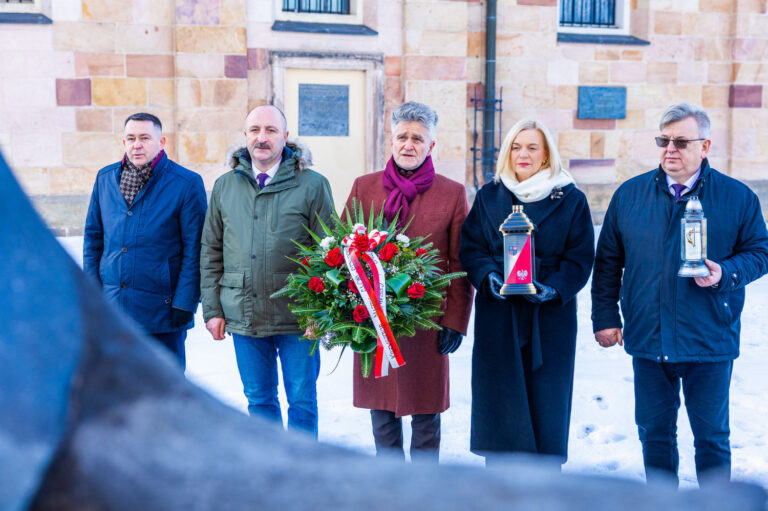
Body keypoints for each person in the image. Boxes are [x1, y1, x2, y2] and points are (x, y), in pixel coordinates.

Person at [591, 102, 768, 486]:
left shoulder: (737, 197)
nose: (670, 149)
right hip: (648, 336)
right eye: (664, 140)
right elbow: (607, 263)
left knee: (712, 438)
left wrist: (726, 273)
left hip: (709, 336)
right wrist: (605, 317)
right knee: (654, 434)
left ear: (705, 146)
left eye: (681, 142)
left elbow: (760, 252)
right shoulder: (630, 195)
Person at [459, 119, 594, 465]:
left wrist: (554, 289)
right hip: (499, 314)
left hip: (548, 318)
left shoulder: (570, 199)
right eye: (516, 147)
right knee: (500, 401)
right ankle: (498, 480)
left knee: (545, 402)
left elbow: (580, 256)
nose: (523, 154)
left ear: (546, 154)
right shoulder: (489, 195)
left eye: (533, 147)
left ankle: (544, 480)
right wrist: (487, 275)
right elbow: (471, 248)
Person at [345, 101, 473, 463]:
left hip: (427, 323)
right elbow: (342, 251)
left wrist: (455, 322)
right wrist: (347, 313)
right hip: (372, 319)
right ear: (391, 140)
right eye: (402, 136)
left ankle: (424, 485)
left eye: (417, 138)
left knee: (426, 411)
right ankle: (390, 483)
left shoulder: (451, 193)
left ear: (430, 145)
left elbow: (460, 263)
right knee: (382, 408)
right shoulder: (364, 187)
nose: (408, 145)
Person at [200, 105, 335, 437]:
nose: (262, 138)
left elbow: (329, 253)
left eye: (271, 130)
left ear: (285, 137)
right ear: (245, 136)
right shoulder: (225, 186)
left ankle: (301, 464)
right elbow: (211, 251)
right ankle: (270, 464)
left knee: (302, 401)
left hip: (299, 318)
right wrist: (213, 310)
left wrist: (321, 312)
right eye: (255, 130)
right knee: (259, 401)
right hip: (244, 314)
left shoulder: (313, 185)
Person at [83, 113, 207, 370]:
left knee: (166, 385)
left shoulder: (186, 183)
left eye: (144, 138)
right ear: (123, 142)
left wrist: (185, 302)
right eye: (130, 138)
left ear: (161, 142)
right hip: (113, 309)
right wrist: (93, 297)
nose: (136, 145)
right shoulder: (105, 179)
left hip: (162, 312)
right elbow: (93, 240)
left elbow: (195, 249)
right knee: (117, 385)